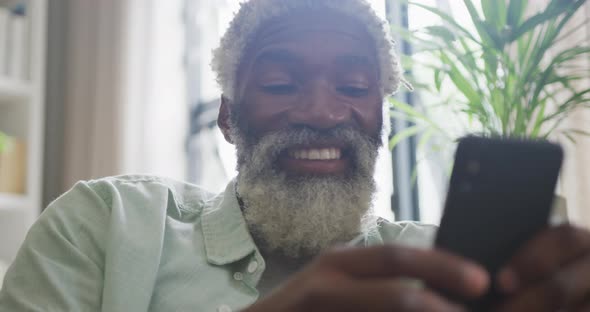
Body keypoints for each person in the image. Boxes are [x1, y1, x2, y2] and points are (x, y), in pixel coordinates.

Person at [2, 0, 590, 311]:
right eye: (281, 84)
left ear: (380, 121)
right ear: (230, 118)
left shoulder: (438, 265)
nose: (323, 111)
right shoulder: (106, 225)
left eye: (355, 88)